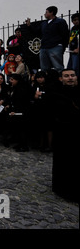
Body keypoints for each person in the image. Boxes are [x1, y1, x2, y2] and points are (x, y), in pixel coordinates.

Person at [50, 69, 79, 203]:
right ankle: (62, 188)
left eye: (72, 75)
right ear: (61, 79)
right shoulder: (57, 93)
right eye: (66, 76)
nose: (70, 78)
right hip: (63, 133)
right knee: (63, 161)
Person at [26, 6, 70, 73]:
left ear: (51, 12)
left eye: (46, 12)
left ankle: (60, 80)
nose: (45, 14)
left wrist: (63, 46)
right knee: (44, 68)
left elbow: (65, 34)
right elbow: (37, 32)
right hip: (44, 48)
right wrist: (29, 26)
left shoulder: (60, 22)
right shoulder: (44, 23)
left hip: (55, 47)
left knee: (58, 67)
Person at [5, 74, 31, 152]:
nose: (10, 81)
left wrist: (15, 110)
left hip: (22, 112)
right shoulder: (14, 88)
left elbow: (21, 102)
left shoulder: (22, 88)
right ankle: (20, 144)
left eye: (12, 79)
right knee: (18, 129)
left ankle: (24, 146)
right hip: (16, 112)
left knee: (22, 130)